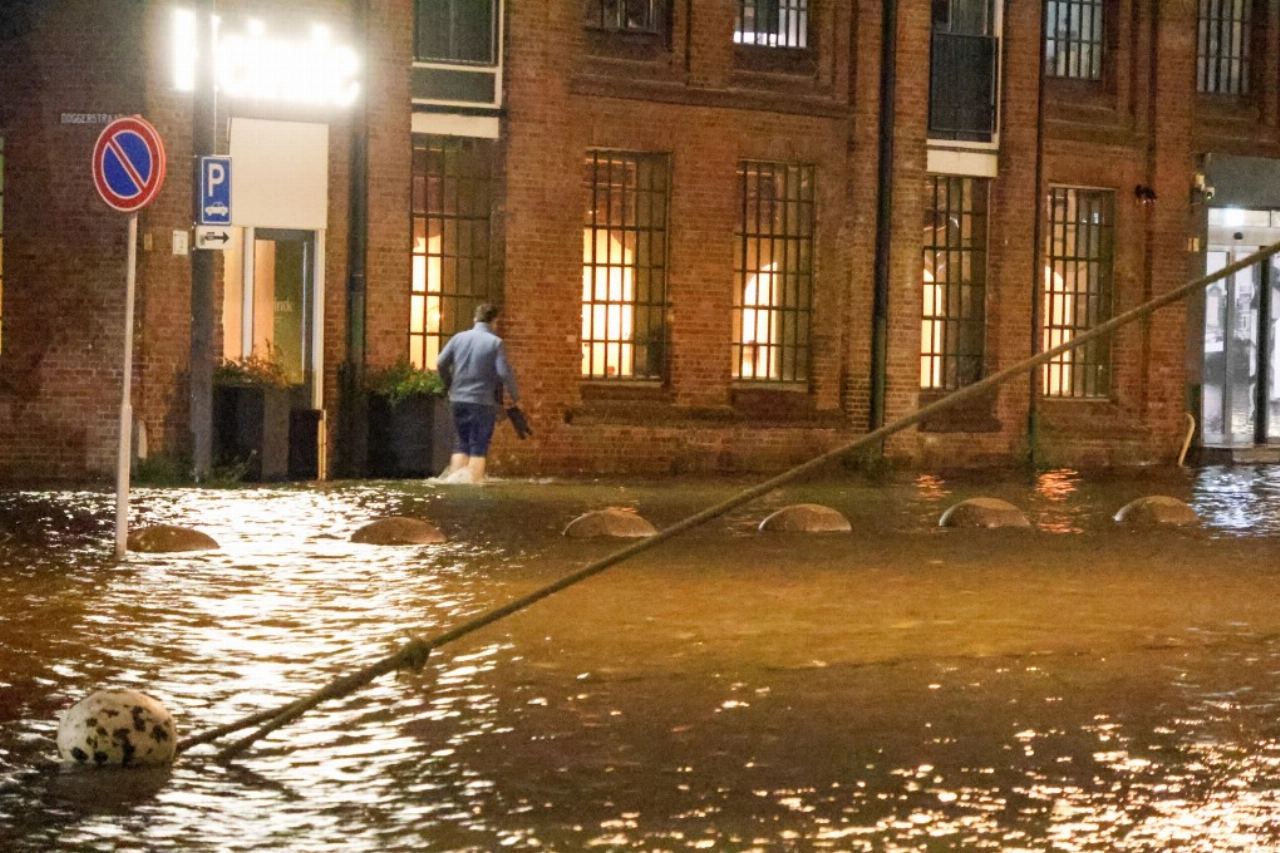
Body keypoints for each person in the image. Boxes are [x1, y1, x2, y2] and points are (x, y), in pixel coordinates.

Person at [435, 304, 520, 484]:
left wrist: (449, 384)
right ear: (494, 322)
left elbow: (441, 362)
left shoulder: (458, 338)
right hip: (481, 402)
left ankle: (453, 485)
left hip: (457, 400)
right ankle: (472, 489)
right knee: (478, 448)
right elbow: (504, 373)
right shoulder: (495, 343)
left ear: (475, 319)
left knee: (461, 444)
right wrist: (515, 396)